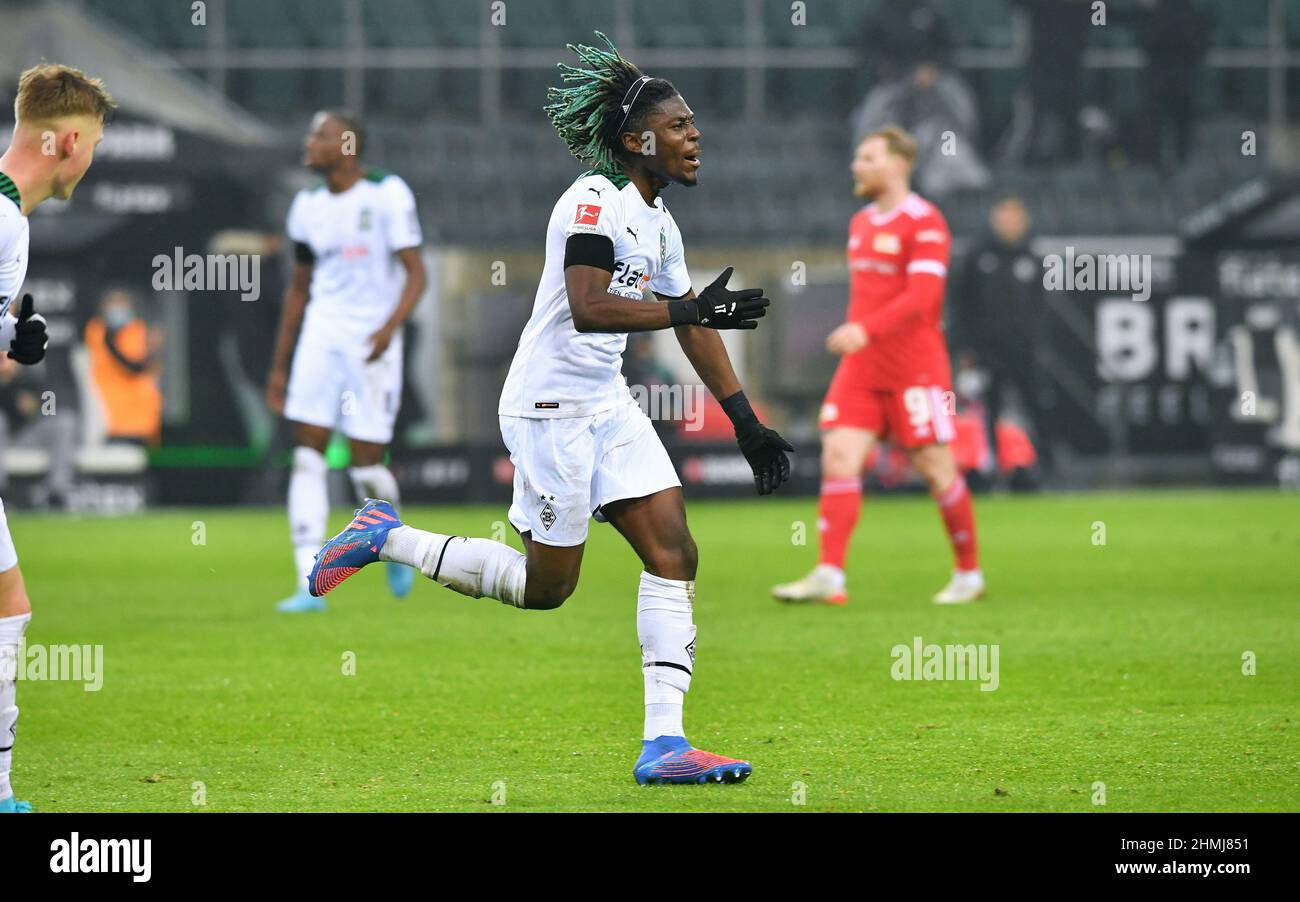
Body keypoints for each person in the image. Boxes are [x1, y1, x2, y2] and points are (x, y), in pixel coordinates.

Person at [307, 33, 792, 786]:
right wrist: (687, 305)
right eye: (679, 125)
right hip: (548, 406)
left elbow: (690, 321)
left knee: (675, 553)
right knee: (547, 589)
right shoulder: (592, 202)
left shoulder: (661, 224)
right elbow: (592, 307)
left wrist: (746, 421)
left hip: (606, 402)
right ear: (636, 141)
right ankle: (385, 537)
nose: (695, 136)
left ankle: (665, 744)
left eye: (694, 124)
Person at [772, 126, 983, 607]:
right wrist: (861, 337)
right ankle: (830, 572)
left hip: (915, 370)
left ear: (897, 164)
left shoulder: (926, 222)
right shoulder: (862, 222)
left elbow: (924, 297)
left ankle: (968, 574)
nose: (856, 166)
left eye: (867, 158)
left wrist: (866, 329)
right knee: (839, 457)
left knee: (935, 469)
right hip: (862, 370)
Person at [0, 63, 113, 814]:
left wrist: (12, 339)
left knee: (9, 604)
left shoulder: (12, 218)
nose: (92, 159)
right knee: (8, 608)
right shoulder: (6, 223)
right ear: (68, 139)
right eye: (95, 144)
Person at [265, 110, 427, 613]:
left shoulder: (387, 193)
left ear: (349, 145)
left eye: (321, 135)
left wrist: (387, 329)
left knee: (365, 466)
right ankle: (306, 580)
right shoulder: (306, 205)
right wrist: (280, 363)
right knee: (308, 456)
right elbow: (299, 287)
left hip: (371, 342)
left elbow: (416, 275)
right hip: (320, 337)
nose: (309, 142)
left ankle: (396, 549)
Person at [956, 196, 1052, 481]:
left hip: (1023, 350)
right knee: (988, 410)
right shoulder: (978, 256)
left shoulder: (1032, 257)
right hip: (987, 352)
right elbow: (963, 305)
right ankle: (993, 470)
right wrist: (966, 348)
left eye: (1014, 218)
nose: (1009, 224)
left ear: (1024, 222)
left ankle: (1045, 468)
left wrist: (1036, 342)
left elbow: (1039, 306)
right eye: (1004, 217)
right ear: (994, 220)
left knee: (1036, 405)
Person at [84, 289, 163, 445]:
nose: (117, 309)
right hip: (110, 421)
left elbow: (143, 366)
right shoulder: (97, 330)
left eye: (121, 303)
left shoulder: (139, 330)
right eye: (113, 303)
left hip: (143, 420)